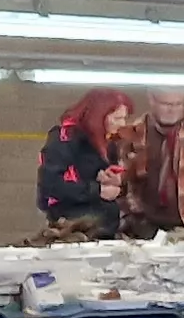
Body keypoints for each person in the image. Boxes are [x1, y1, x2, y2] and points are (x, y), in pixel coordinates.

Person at [108, 86, 184, 233]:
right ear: (151, 99)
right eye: (166, 104)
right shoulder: (131, 134)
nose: (173, 110)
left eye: (178, 104)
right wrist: (128, 217)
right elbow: (120, 181)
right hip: (143, 225)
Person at [36, 90, 132, 237]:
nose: (122, 124)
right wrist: (97, 190)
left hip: (105, 227)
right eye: (117, 118)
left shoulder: (108, 143)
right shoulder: (65, 139)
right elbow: (50, 185)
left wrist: (109, 178)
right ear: (99, 116)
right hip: (73, 228)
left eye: (124, 118)